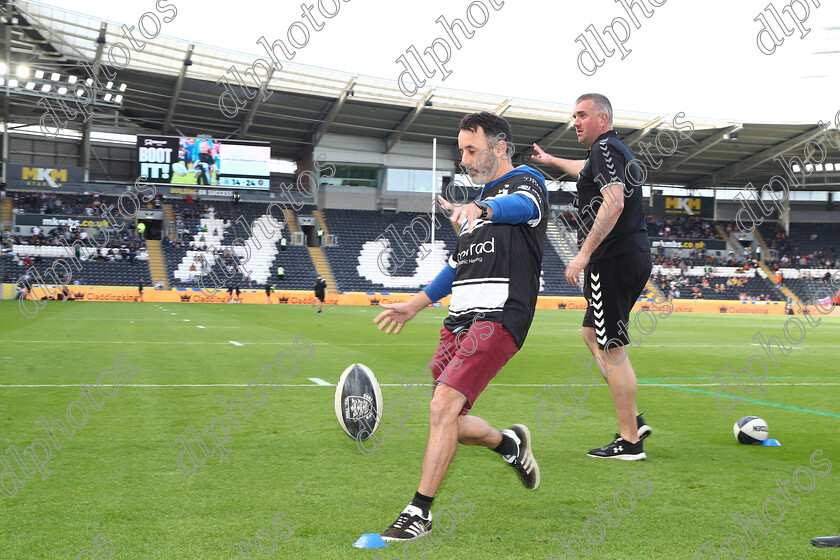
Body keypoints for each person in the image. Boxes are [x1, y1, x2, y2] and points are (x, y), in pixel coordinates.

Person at [373, 111, 548, 542]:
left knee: (441, 408)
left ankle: (419, 513)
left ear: (500, 148)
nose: (465, 159)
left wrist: (482, 207)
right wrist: (414, 305)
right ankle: (508, 444)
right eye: (462, 151)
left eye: (472, 149)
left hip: (499, 315)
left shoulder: (526, 182)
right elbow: (457, 266)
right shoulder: (475, 205)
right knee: (449, 416)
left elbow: (522, 207)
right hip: (458, 321)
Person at [531, 93, 652, 460]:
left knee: (613, 349)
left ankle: (630, 441)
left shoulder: (605, 149)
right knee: (592, 335)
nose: (575, 121)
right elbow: (585, 172)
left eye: (582, 115)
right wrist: (552, 160)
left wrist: (583, 255)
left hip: (610, 257)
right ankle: (632, 420)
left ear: (603, 118)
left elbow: (613, 201)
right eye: (573, 116)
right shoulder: (610, 151)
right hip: (631, 254)